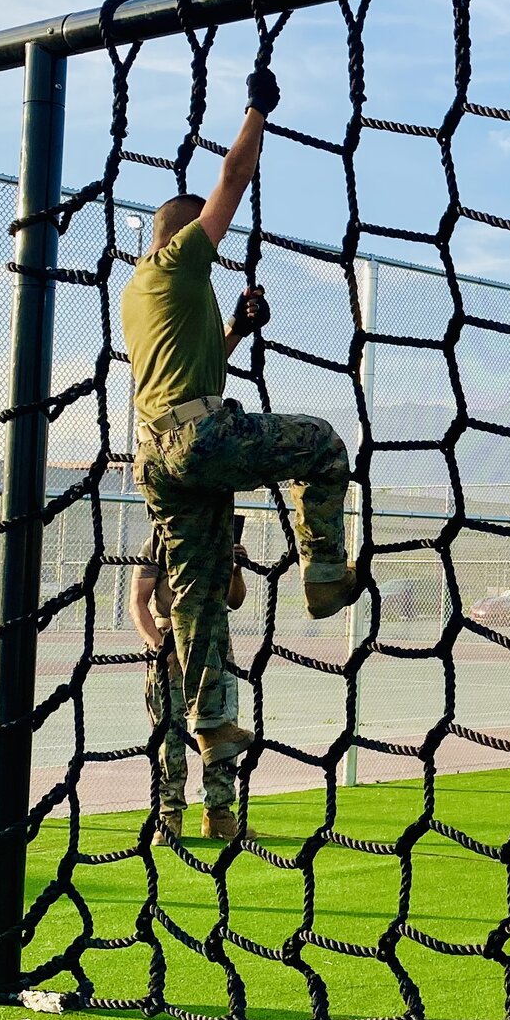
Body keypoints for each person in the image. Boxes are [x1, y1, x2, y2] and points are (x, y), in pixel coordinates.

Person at [122, 70, 356, 784]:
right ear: (182, 232)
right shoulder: (183, 255)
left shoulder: (140, 293)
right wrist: (258, 109)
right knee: (322, 446)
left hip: (157, 454)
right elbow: (234, 175)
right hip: (197, 442)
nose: (213, 244)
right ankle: (321, 574)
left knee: (195, 597)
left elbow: (187, 378)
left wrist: (234, 329)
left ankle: (213, 724)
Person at [132, 520, 249, 843]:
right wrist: (158, 646)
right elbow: (138, 601)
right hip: (169, 644)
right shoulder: (159, 539)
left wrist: (235, 569)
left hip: (215, 644)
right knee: (168, 733)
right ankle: (169, 816)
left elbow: (234, 600)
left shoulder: (218, 537)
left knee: (222, 731)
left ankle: (219, 815)